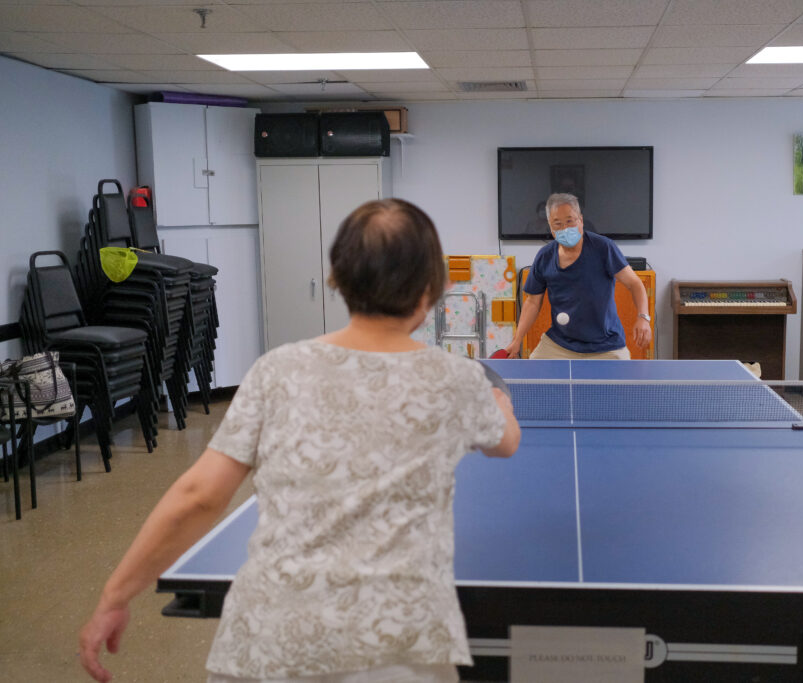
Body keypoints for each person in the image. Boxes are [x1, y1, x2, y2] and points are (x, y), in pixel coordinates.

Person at [78, 199, 521, 683]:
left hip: (268, 643)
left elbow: (198, 496)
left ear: (339, 279)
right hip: (395, 649)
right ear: (431, 288)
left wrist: (115, 596)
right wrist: (499, 403)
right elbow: (505, 443)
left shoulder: (277, 370)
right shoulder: (455, 380)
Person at [503, 193, 651, 360]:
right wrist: (517, 340)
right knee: (535, 377)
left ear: (580, 220)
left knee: (619, 384)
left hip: (606, 344)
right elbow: (532, 302)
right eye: (557, 224)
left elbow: (634, 283)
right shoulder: (545, 256)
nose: (565, 228)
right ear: (551, 228)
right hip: (559, 344)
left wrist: (643, 317)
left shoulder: (603, 247)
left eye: (570, 221)